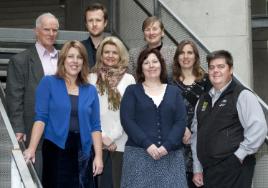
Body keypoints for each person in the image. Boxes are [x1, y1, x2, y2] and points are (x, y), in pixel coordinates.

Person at [23, 40, 103, 187]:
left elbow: (95, 126)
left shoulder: (90, 90)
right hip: (56, 149)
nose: (75, 61)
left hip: (83, 151)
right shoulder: (48, 83)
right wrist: (31, 148)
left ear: (83, 62)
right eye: (70, 56)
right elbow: (41, 118)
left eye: (79, 57)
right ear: (63, 59)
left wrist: (98, 156)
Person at [191, 50, 268, 188]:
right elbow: (196, 135)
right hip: (209, 171)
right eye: (212, 67)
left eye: (221, 66)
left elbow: (259, 128)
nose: (215, 71)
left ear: (231, 69)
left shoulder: (242, 95)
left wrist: (238, 157)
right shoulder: (203, 99)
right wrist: (197, 169)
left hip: (235, 168)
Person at [120, 48, 188, 188]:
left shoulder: (174, 92)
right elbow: (127, 120)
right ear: (140, 68)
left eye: (155, 61)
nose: (151, 65)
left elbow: (180, 121)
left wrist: (167, 146)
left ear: (161, 65)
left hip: (171, 156)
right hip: (139, 156)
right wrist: (147, 144)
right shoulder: (132, 91)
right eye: (146, 62)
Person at [6, 12, 59, 178]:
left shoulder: (65, 59)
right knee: (37, 175)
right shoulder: (21, 60)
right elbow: (14, 97)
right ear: (36, 31)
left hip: (61, 128)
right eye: (46, 29)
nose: (51, 34)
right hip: (33, 129)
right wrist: (18, 128)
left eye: (55, 30)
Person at [89, 36, 135, 188]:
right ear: (100, 55)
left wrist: (112, 137)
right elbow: (88, 111)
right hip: (96, 141)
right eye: (106, 52)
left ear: (120, 55)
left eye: (114, 52)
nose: (110, 55)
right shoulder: (91, 78)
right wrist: (102, 137)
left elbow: (129, 113)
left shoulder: (129, 79)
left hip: (120, 143)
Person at [172, 40, 211, 188]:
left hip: (201, 143)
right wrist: (181, 128)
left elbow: (212, 111)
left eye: (190, 52)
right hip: (176, 144)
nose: (185, 56)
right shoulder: (169, 82)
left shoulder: (207, 81)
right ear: (176, 57)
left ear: (196, 57)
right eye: (182, 53)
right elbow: (165, 112)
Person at [128, 16, 176, 80]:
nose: (151, 33)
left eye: (154, 29)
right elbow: (131, 79)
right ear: (144, 34)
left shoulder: (174, 52)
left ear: (162, 32)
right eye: (147, 29)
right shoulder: (133, 54)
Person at [82, 3, 108, 68]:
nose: (94, 24)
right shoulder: (79, 48)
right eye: (90, 20)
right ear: (86, 24)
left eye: (98, 20)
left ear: (105, 23)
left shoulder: (114, 48)